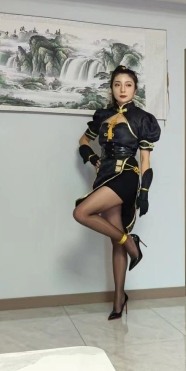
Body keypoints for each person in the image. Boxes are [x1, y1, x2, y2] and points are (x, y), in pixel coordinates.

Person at [73, 65, 161, 321]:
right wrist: (93, 159)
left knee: (81, 213)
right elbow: (83, 141)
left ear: (135, 89)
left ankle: (131, 244)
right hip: (104, 176)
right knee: (116, 239)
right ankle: (119, 298)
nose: (122, 89)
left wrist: (144, 192)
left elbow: (145, 162)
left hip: (126, 176)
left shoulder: (143, 119)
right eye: (117, 84)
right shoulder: (102, 115)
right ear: (111, 88)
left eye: (128, 85)